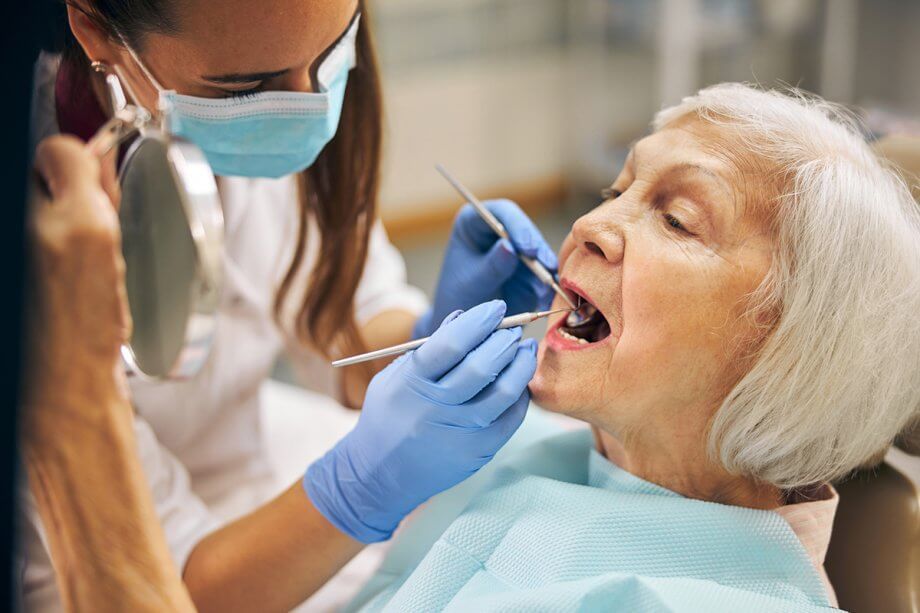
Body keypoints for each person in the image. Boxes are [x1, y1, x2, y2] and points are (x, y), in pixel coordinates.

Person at [22, 1, 561, 611]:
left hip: (243, 482)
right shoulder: (48, 227)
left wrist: (428, 335)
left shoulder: (272, 69)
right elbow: (158, 589)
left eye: (327, 58)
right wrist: (358, 492)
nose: (303, 105)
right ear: (93, 29)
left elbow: (342, 327)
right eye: (245, 87)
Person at [343, 84, 920, 612]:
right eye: (616, 189)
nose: (590, 224)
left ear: (794, 351)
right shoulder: (516, 443)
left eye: (677, 221)